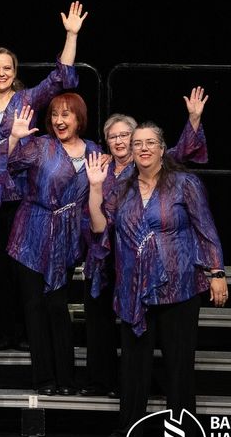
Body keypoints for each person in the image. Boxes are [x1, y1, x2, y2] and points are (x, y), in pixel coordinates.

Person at [87, 123, 226, 437]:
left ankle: (183, 432)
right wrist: (95, 188)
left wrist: (216, 273)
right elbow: (99, 228)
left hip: (179, 283)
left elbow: (205, 229)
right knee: (134, 365)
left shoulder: (184, 183)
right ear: (131, 151)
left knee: (179, 364)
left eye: (150, 143)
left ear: (163, 149)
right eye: (137, 144)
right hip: (134, 286)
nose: (143, 148)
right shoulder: (122, 187)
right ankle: (129, 428)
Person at [0, 2, 85, 351]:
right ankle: (4, 335)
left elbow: (61, 77)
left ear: (14, 71)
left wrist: (71, 35)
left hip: (26, 196)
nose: (1, 73)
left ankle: (32, 337)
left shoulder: (28, 98)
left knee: (25, 271)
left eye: (7, 68)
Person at [81, 87, 209, 398]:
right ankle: (110, 389)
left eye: (128, 136)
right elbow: (94, 218)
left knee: (157, 341)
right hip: (109, 258)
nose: (122, 141)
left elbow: (182, 152)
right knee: (112, 332)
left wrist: (193, 120)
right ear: (107, 141)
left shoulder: (160, 167)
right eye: (114, 136)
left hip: (157, 266)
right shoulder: (101, 169)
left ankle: (164, 406)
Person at [7, 95, 103, 395]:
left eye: (67, 115)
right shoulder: (40, 146)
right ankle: (44, 379)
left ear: (79, 118)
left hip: (67, 235)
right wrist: (14, 137)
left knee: (58, 307)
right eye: (55, 115)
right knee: (35, 307)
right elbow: (10, 166)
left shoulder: (95, 151)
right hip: (31, 232)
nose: (60, 121)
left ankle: (67, 378)